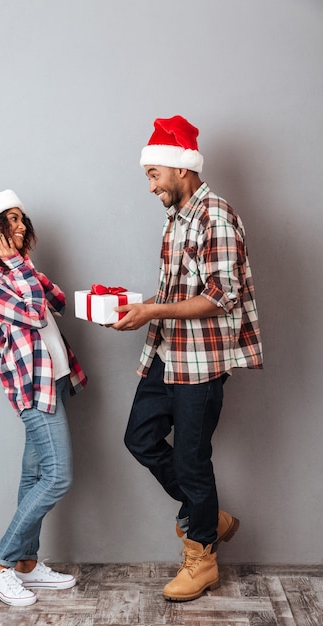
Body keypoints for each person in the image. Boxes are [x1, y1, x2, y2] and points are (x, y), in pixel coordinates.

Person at [111, 116, 263, 602]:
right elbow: (179, 289)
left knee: (193, 461)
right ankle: (209, 516)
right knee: (140, 437)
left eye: (155, 174)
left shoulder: (214, 216)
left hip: (200, 361)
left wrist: (153, 309)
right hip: (166, 351)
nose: (151, 185)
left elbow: (222, 297)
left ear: (182, 170)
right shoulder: (177, 218)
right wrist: (140, 307)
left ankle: (202, 558)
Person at [0, 190, 87, 607]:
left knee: (33, 477)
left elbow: (59, 302)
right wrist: (18, 266)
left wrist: (23, 268)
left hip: (57, 378)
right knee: (57, 477)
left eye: (21, 219)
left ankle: (27, 564)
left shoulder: (22, 268)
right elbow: (34, 313)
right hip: (33, 386)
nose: (20, 226)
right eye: (10, 220)